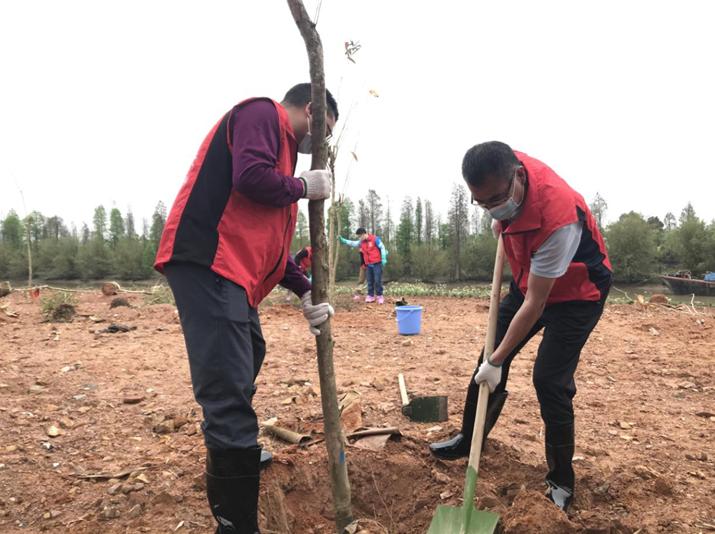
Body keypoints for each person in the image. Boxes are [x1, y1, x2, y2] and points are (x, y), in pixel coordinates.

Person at [154, 83, 339, 534]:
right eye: (325, 130)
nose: (323, 143)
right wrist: (301, 187)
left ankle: (233, 449)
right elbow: (250, 178)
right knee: (228, 386)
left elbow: (273, 249)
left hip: (235, 273)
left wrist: (305, 290)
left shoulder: (285, 156)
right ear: (311, 109)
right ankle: (235, 522)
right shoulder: (263, 114)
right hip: (208, 261)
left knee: (249, 352)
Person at [430, 141, 612, 513]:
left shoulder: (559, 216)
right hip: (531, 280)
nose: (491, 207)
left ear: (517, 177)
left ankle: (561, 480)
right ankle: (470, 438)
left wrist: (498, 360)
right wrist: (500, 217)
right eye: (480, 202)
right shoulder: (503, 172)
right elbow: (526, 285)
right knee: (489, 353)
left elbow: (536, 304)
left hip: (578, 294)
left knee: (549, 380)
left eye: (496, 199)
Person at [339, 228, 388, 303]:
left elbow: (382, 247)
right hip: (368, 264)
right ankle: (370, 296)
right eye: (359, 237)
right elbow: (353, 243)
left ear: (364, 234)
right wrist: (344, 241)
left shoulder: (375, 239)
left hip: (377, 263)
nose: (360, 238)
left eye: (360, 236)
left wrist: (384, 257)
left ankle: (379, 296)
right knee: (369, 281)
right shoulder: (361, 242)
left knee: (377, 280)